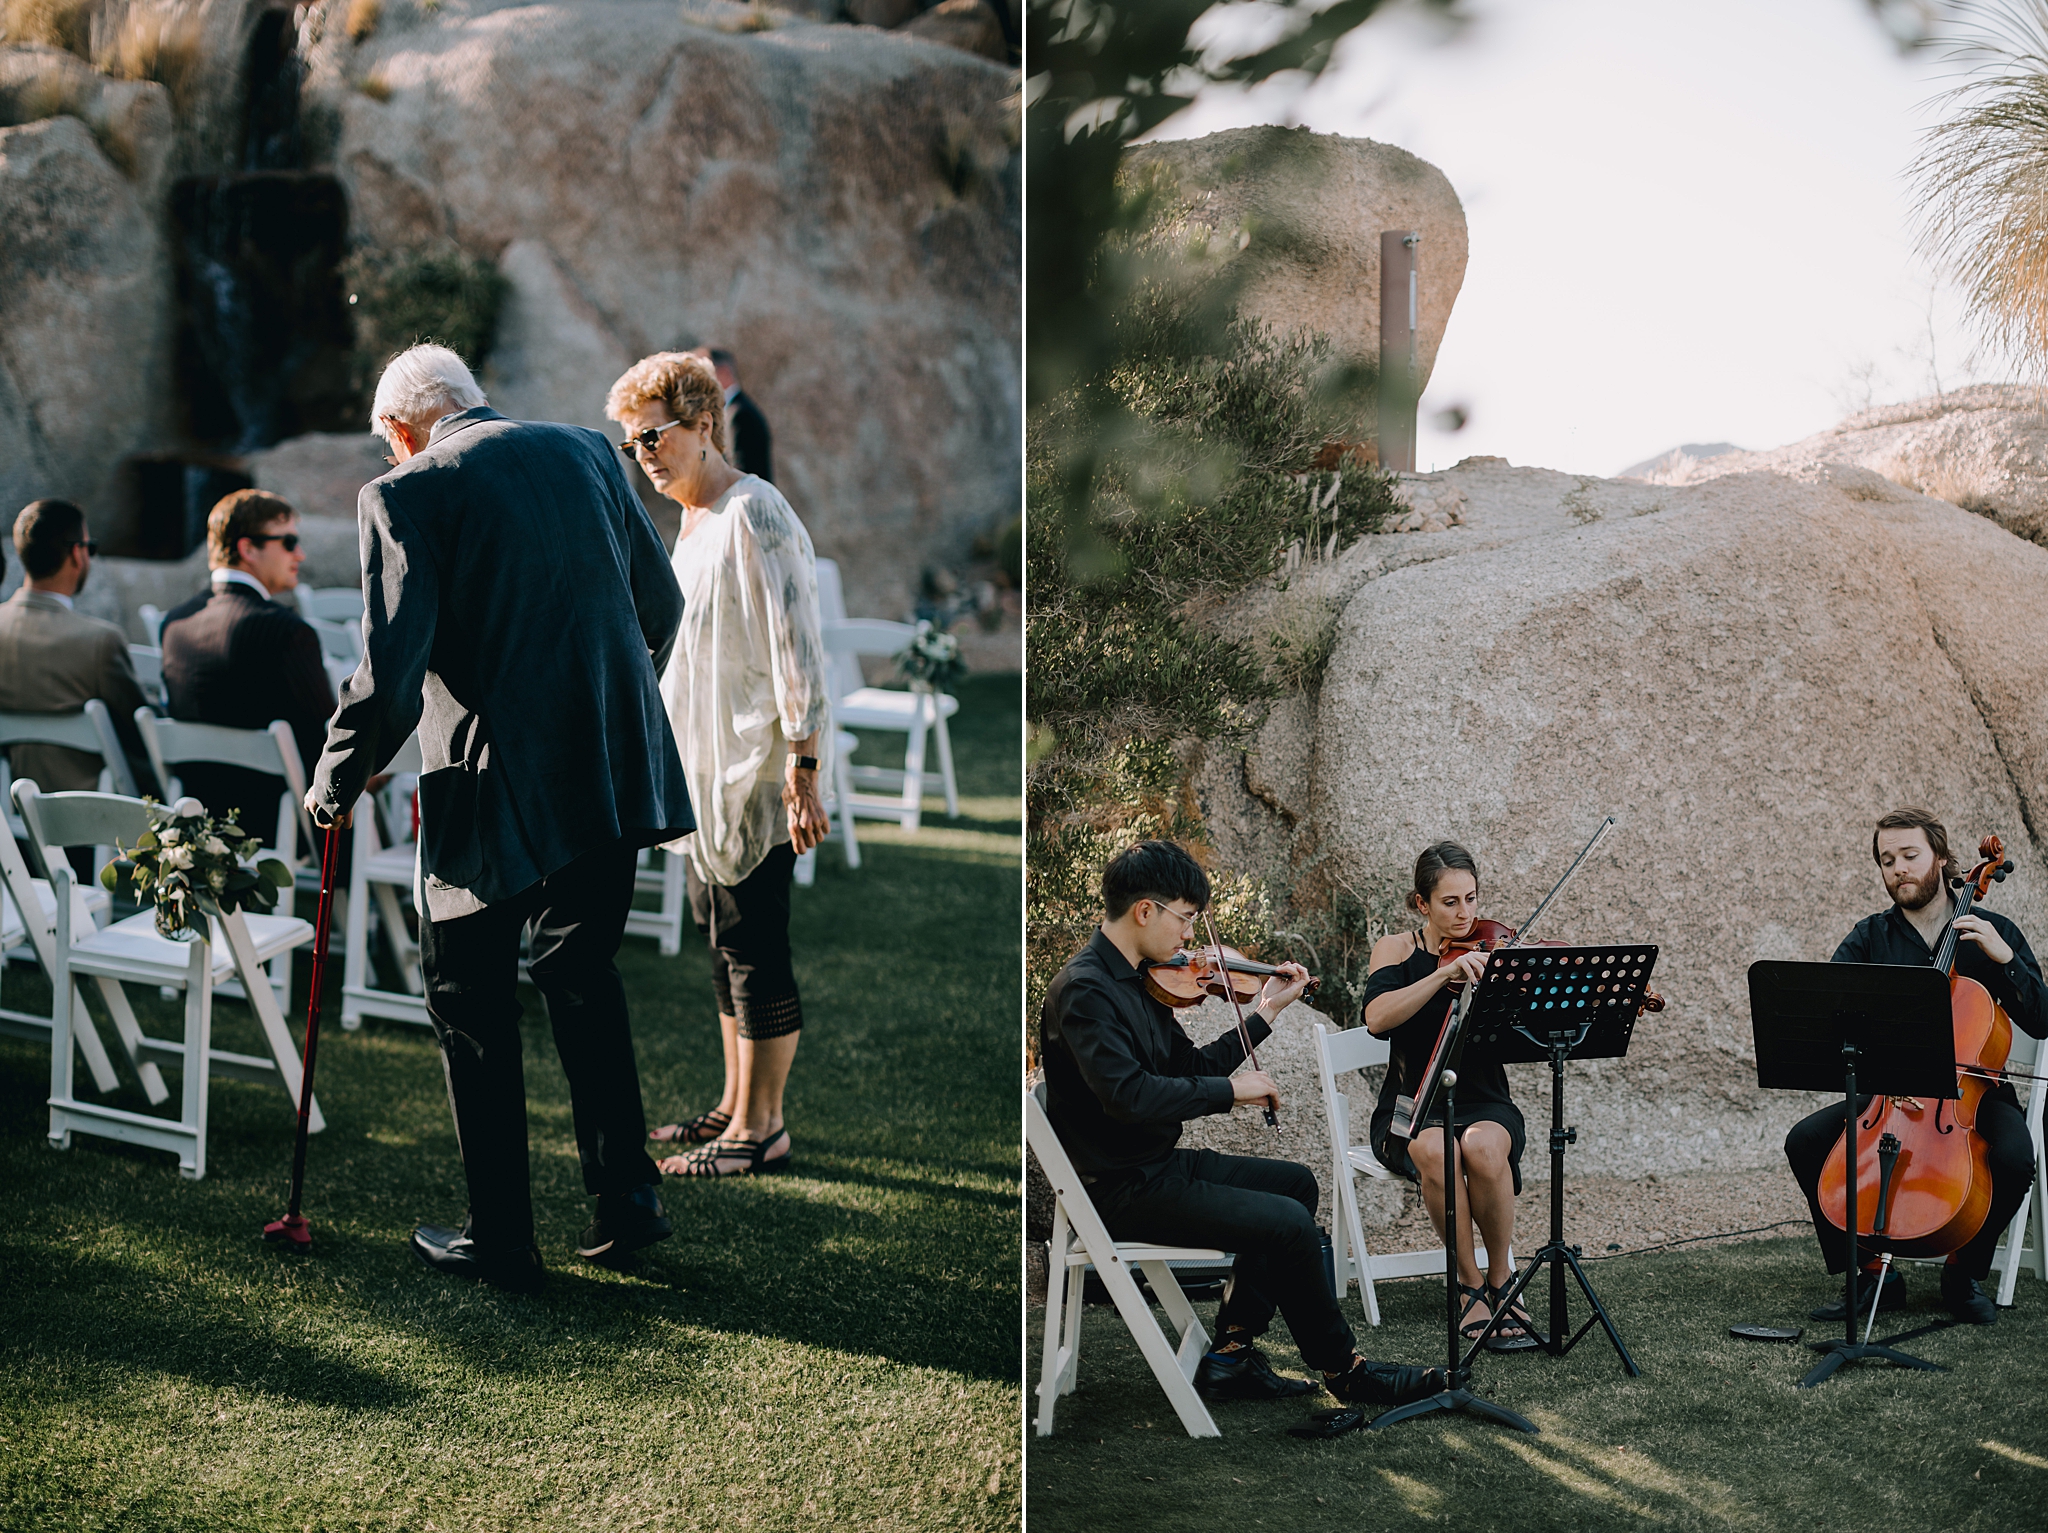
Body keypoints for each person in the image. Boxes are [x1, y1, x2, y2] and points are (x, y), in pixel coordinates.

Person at [306, 344, 695, 1292]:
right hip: (611, 767)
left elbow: (391, 684)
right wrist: (604, 700)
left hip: (493, 786)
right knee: (582, 972)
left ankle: (503, 1237)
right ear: (471, 401)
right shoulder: (588, 451)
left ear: (401, 432)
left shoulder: (401, 494)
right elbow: (662, 602)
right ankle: (626, 1199)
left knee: (470, 1002)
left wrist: (332, 781)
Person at [1039, 838, 1444, 1409]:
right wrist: (1231, 1092)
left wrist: (1266, 1013)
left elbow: (1188, 1067)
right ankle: (1345, 1370)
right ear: (1145, 910)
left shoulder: (1137, 980)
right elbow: (1128, 1098)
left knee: (1296, 1186)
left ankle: (1229, 1356)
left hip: (1151, 1166)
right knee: (1287, 1224)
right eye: (1185, 919)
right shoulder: (1085, 990)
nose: (1189, 937)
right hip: (1120, 1187)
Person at [606, 351, 829, 1178]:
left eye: (654, 436)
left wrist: (802, 767)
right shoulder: (693, 522)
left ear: (703, 422)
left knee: (755, 942)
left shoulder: (754, 510)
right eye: (632, 444)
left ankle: (763, 1127)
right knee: (720, 938)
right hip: (702, 775)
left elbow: (797, 644)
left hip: (759, 771)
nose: (645, 456)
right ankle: (734, 1103)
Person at [1783, 807, 2048, 1325]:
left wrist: (2003, 960)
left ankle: (1962, 1271)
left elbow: (2041, 1019)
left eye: (1910, 855)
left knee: (2016, 1158)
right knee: (1805, 1141)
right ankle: (1871, 1274)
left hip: (1973, 1096)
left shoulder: (1994, 931)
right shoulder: (1870, 937)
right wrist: (1885, 1068)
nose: (1898, 867)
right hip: (1891, 1092)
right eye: (1887, 860)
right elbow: (1832, 1017)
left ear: (1942, 859)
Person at [1363, 842, 1540, 1352]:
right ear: (1422, 904)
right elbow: (1377, 1017)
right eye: (1450, 903)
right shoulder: (1395, 950)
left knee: (1484, 1148)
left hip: (1484, 1098)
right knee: (1437, 1151)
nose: (1465, 915)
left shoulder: (1493, 950)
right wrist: (1443, 974)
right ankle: (1469, 1284)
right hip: (1413, 1103)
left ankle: (1502, 1276)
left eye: (1472, 899)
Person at [158, 490, 335, 836]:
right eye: (288, 542)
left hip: (199, 823)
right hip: (280, 827)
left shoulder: (174, 625)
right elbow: (327, 745)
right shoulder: (287, 632)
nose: (299, 554)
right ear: (248, 549)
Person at [0, 499, 154, 799]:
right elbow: (143, 732)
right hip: (89, 818)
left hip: (11, 812)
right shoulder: (100, 641)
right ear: (77, 553)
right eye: (90, 547)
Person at [708, 347, 773, 485]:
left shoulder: (739, 414)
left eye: (705, 374)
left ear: (723, 372)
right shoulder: (733, 410)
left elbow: (742, 473)